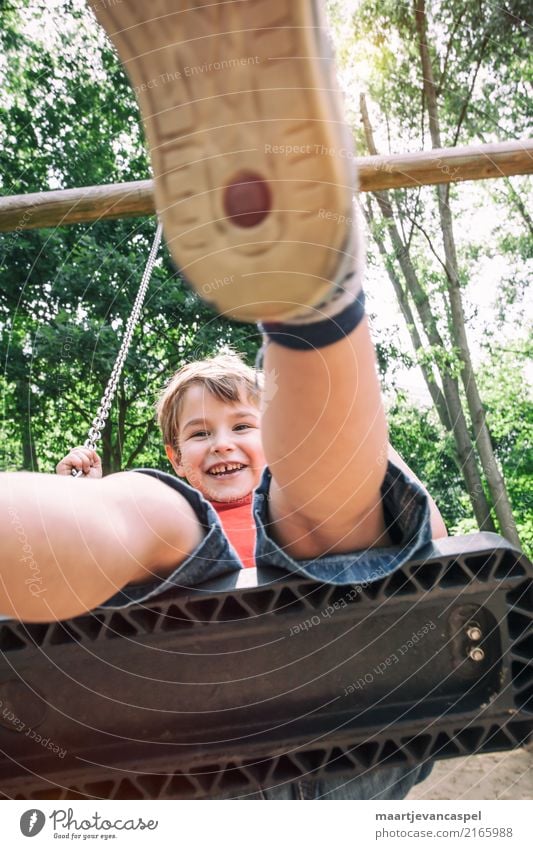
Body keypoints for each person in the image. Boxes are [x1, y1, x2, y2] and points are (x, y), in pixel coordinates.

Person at [0, 0, 447, 798]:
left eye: (243, 423)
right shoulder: (187, 513)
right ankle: (314, 308)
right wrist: (78, 508)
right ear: (178, 449)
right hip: (308, 726)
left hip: (238, 733)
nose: (223, 444)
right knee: (154, 514)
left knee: (314, 522)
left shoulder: (287, 487)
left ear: (272, 432)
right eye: (199, 434)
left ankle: (309, 299)